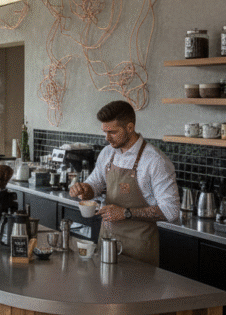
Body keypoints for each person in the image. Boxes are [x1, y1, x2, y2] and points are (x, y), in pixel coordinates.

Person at [69, 100, 180, 266]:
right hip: (107, 242)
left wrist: (126, 213)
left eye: (112, 132)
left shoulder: (155, 161)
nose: (107, 138)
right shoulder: (108, 153)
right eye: (104, 131)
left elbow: (171, 211)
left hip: (139, 249)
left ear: (130, 127)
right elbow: (95, 184)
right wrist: (85, 189)